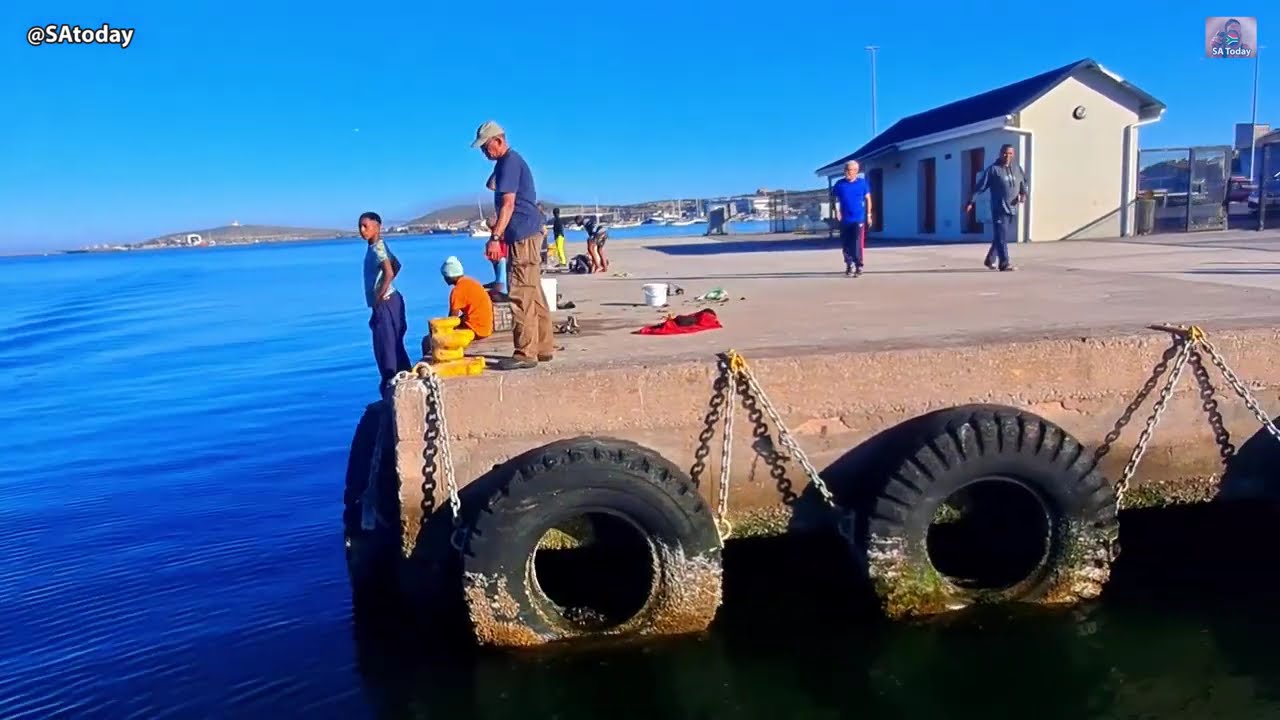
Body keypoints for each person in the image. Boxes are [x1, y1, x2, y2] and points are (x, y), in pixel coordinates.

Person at [472, 120, 554, 370]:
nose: (485, 153)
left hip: (521, 234)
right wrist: (497, 166)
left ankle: (525, 352)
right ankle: (543, 347)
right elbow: (491, 185)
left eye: (487, 147)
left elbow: (507, 204)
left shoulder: (509, 162)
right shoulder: (508, 163)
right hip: (528, 232)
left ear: (499, 140)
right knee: (533, 292)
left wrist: (495, 237)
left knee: (520, 292)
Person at [358, 211, 412, 394]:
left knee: (385, 347)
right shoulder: (378, 246)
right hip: (393, 300)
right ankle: (405, 383)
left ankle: (391, 387)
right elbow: (397, 265)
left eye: (366, 226)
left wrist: (379, 295)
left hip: (386, 303)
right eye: (360, 226)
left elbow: (389, 271)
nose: (362, 230)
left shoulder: (378, 248)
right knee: (395, 344)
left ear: (377, 227)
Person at [965, 144, 1028, 272]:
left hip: (1012, 208)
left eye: (1010, 153)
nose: (1007, 156)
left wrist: (1023, 194)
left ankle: (990, 259)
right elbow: (980, 187)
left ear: (1013, 154)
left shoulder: (1017, 169)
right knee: (1002, 236)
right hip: (999, 209)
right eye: (1005, 153)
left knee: (1000, 236)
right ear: (1000, 154)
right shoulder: (993, 170)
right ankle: (1004, 264)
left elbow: (1023, 184)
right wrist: (970, 202)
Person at [831, 160, 873, 277]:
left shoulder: (862, 183)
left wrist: (868, 215)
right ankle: (849, 265)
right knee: (846, 243)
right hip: (845, 219)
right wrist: (837, 211)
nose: (846, 173)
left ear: (856, 171)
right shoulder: (839, 184)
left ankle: (859, 265)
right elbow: (835, 200)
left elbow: (868, 199)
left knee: (857, 242)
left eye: (848, 170)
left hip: (858, 218)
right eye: (845, 170)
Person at [440, 255, 494, 340]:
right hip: (486, 328)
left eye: (444, 276)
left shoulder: (457, 291)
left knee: (430, 340)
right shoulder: (470, 282)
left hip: (476, 330)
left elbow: (452, 320)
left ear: (449, 276)